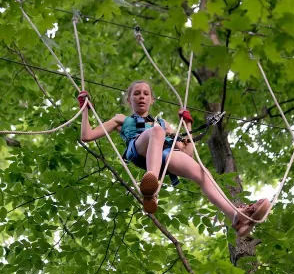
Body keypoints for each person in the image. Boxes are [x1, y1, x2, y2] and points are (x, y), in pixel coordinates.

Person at [79, 80, 270, 237]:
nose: (142, 96)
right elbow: (86, 135)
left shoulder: (164, 124)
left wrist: (186, 126)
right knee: (156, 131)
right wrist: (85, 109)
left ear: (152, 100)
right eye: (136, 93)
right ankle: (151, 188)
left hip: (164, 156)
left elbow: (186, 154)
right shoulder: (122, 119)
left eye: (146, 93)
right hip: (139, 148)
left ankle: (236, 217)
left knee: (202, 174)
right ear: (129, 100)